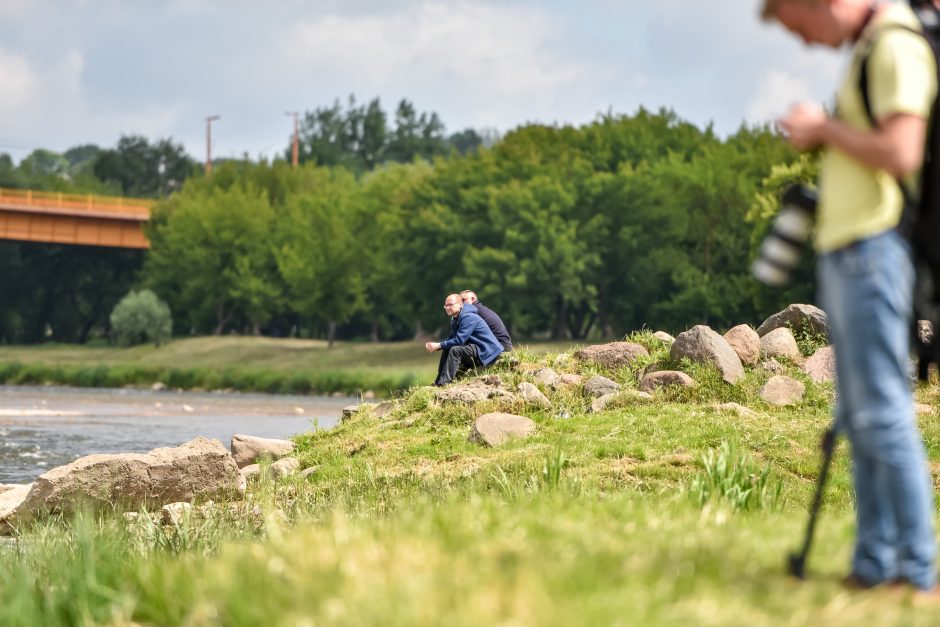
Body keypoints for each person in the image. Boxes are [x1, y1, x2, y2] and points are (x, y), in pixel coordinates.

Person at [762, 0, 937, 594]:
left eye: (800, 25)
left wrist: (824, 129)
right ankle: (874, 563)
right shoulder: (869, 48)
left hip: (873, 251)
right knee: (860, 420)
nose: (809, 42)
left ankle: (917, 571)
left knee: (884, 412)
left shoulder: (893, 44)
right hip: (851, 253)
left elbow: (903, 150)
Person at [426, 293, 503, 386]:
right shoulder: (455, 318)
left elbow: (459, 340)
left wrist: (439, 345)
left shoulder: (467, 317)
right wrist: (438, 346)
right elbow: (452, 338)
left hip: (486, 350)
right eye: (446, 306)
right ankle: (438, 382)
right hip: (475, 347)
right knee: (447, 349)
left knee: (455, 350)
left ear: (460, 304)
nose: (447, 308)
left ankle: (444, 383)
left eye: (450, 305)